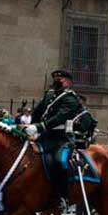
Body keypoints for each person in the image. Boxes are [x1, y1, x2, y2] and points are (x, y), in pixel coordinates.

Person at [25, 70, 83, 198]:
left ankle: (62, 194)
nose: (56, 82)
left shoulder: (70, 98)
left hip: (61, 139)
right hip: (44, 137)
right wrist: (32, 127)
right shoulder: (49, 95)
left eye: (60, 80)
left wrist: (39, 127)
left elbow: (60, 117)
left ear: (68, 82)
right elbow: (37, 112)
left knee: (60, 162)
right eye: (55, 80)